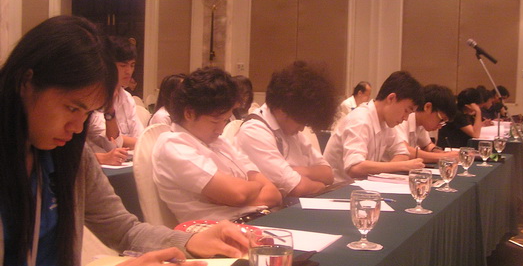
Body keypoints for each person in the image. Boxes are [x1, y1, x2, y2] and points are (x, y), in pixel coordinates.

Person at [0, 16, 248, 266]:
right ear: (26, 84)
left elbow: (124, 230)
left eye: (87, 113)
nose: (77, 128)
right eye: (72, 107)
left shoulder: (71, 156)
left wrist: (192, 241)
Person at [152, 68, 281, 222]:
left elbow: (274, 194)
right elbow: (238, 194)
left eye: (225, 120)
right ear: (189, 113)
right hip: (220, 228)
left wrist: (238, 194)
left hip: (256, 218)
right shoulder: (174, 145)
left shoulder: (219, 142)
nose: (220, 130)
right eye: (215, 121)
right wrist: (252, 187)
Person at [235, 61, 337, 197]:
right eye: (300, 122)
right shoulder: (254, 131)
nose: (302, 129)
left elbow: (328, 174)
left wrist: (299, 171)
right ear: (282, 110)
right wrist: (319, 185)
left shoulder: (290, 131)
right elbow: (298, 188)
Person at [323, 71, 425, 184]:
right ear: (391, 98)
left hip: (362, 186)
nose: (405, 118)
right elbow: (355, 167)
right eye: (406, 110)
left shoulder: (386, 122)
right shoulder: (360, 119)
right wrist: (401, 165)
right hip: (338, 189)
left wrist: (393, 167)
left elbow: (403, 153)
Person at [86, 36, 144, 155]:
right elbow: (110, 143)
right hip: (100, 163)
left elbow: (140, 135)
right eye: (123, 65)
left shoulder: (127, 97)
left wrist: (144, 141)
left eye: (132, 65)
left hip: (127, 160)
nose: (129, 71)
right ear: (108, 67)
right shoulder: (95, 97)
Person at [395, 84, 459, 163]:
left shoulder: (421, 122)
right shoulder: (403, 118)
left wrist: (438, 151)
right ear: (428, 107)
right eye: (441, 120)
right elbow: (404, 150)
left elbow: (427, 145)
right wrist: (443, 157)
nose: (440, 126)